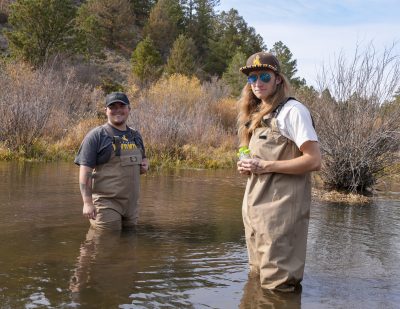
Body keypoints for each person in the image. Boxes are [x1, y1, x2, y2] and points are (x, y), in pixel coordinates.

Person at [237, 52, 321, 292]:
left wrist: (266, 166)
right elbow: (254, 157)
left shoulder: (293, 111)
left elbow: (314, 161)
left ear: (278, 80)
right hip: (254, 212)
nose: (257, 83)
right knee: (255, 283)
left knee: (278, 290)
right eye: (252, 78)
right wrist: (245, 165)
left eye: (264, 76)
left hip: (281, 215)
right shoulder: (255, 116)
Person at [75, 92, 149, 230]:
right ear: (106, 111)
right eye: (112, 107)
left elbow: (143, 157)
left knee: (128, 246)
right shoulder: (96, 136)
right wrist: (87, 202)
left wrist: (145, 164)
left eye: (122, 105)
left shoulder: (135, 135)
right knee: (103, 244)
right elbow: (85, 171)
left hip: (131, 206)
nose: (118, 110)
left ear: (129, 109)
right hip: (106, 204)